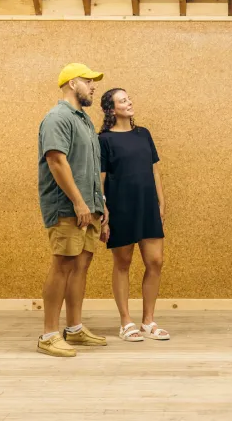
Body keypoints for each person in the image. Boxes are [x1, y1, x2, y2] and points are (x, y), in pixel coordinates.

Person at [36, 63, 109, 357]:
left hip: (88, 208)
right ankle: (49, 335)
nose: (93, 87)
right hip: (67, 207)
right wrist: (78, 202)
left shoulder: (85, 121)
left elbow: (90, 168)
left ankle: (74, 329)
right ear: (72, 82)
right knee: (63, 266)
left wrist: (99, 206)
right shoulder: (57, 117)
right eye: (89, 81)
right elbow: (56, 161)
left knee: (81, 267)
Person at [98, 88, 169, 342]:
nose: (129, 102)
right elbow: (101, 178)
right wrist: (104, 210)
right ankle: (126, 322)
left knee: (155, 261)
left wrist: (161, 202)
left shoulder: (144, 134)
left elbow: (155, 171)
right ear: (111, 109)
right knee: (123, 263)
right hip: (120, 208)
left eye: (128, 98)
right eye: (122, 100)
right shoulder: (103, 139)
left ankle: (149, 321)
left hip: (147, 206)